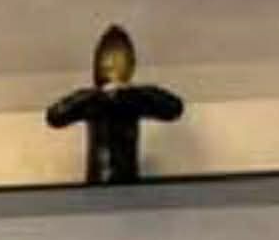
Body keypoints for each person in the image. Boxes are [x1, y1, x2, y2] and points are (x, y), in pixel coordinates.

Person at [45, 24, 183, 185]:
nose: (112, 65)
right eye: (108, 61)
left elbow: (174, 108)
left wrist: (133, 91)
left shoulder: (133, 98)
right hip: (98, 182)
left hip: (127, 182)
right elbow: (55, 116)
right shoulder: (93, 100)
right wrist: (93, 95)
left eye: (119, 60)